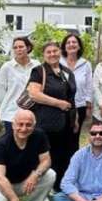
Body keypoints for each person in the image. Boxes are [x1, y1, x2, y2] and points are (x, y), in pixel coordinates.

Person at [0, 110, 56, 201]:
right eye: (20, 124)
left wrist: (35, 175)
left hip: (22, 181)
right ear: (13, 125)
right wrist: (14, 199)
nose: (24, 128)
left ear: (34, 126)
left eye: (28, 125)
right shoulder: (1, 144)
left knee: (50, 174)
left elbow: (46, 160)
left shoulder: (39, 135)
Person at [27, 41, 78, 190]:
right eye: (48, 52)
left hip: (66, 124)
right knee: (47, 157)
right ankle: (43, 188)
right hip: (47, 123)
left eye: (55, 51)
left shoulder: (67, 72)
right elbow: (34, 94)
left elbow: (71, 97)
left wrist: (75, 119)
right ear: (43, 55)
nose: (52, 54)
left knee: (64, 156)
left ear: (60, 52)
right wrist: (58, 103)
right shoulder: (39, 71)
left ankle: (60, 187)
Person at [0, 36, 40, 134]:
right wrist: (5, 107)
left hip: (31, 113)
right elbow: (0, 91)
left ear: (28, 48)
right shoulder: (7, 67)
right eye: (15, 47)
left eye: (21, 47)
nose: (18, 50)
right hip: (11, 114)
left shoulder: (37, 65)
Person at [61, 33, 94, 149]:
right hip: (61, 105)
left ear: (79, 46)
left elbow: (89, 86)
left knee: (74, 137)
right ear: (64, 47)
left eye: (74, 42)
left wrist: (88, 105)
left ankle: (74, 159)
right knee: (61, 137)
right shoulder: (58, 63)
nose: (71, 44)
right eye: (68, 42)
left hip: (79, 106)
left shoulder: (86, 64)